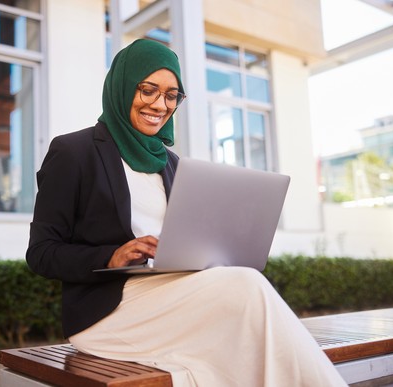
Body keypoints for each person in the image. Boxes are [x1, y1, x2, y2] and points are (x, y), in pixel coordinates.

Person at [26, 38, 347, 387]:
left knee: (249, 325)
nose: (160, 105)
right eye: (148, 90)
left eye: (171, 95)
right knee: (249, 290)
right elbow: (41, 253)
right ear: (122, 86)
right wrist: (113, 256)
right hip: (109, 313)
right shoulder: (74, 151)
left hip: (176, 295)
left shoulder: (172, 165)